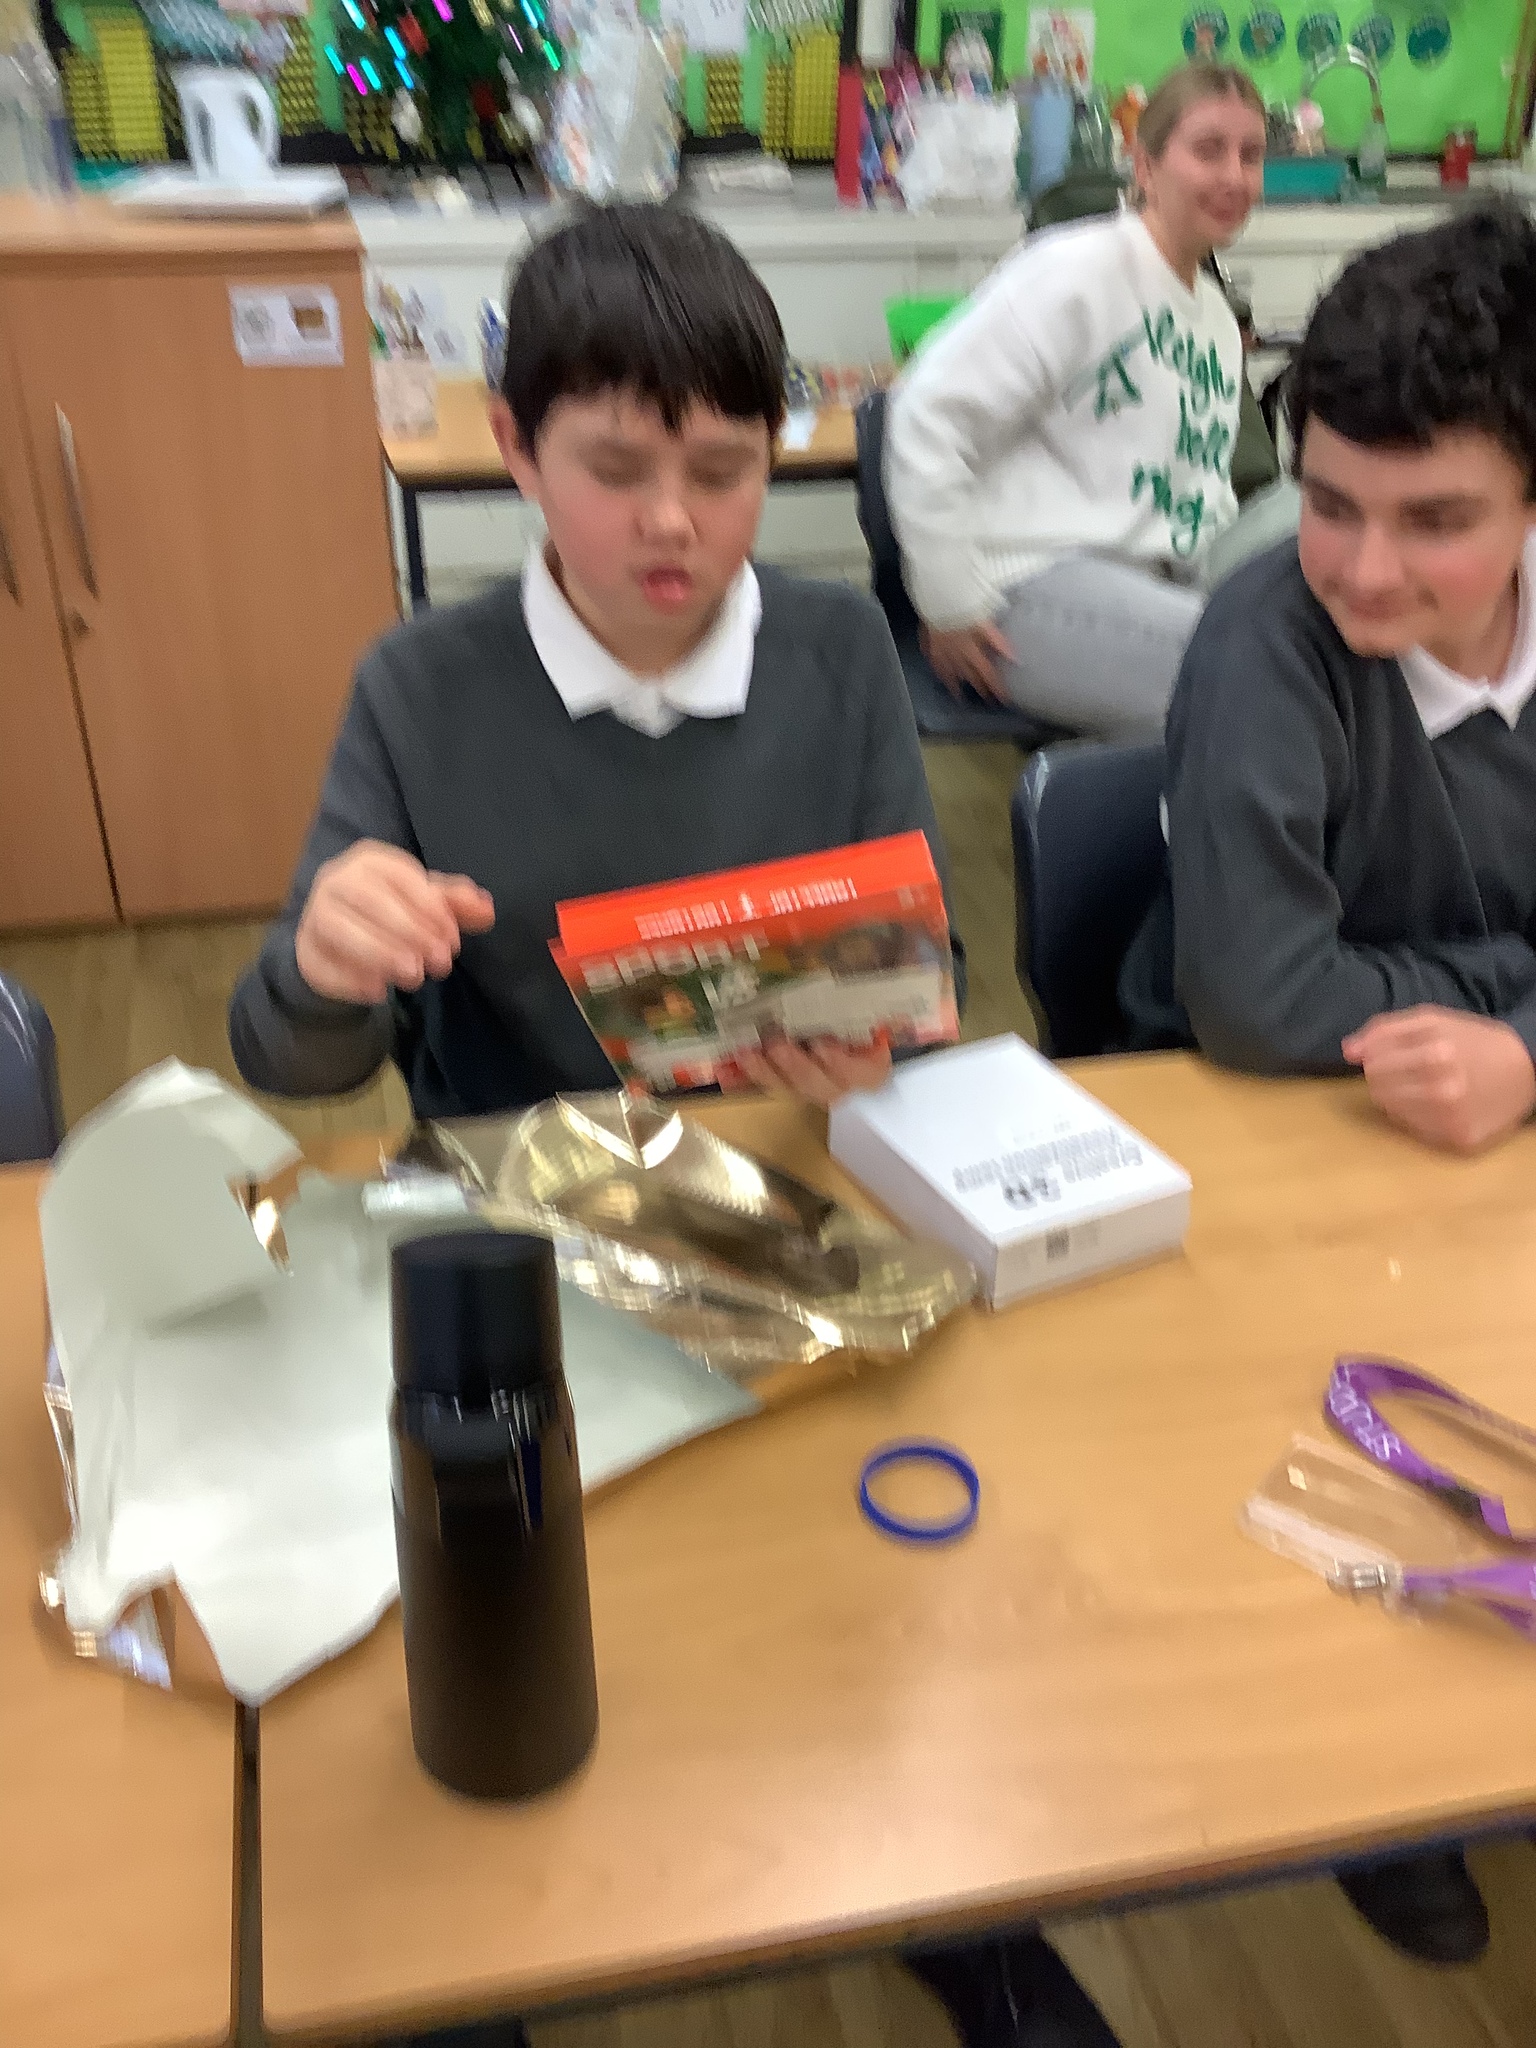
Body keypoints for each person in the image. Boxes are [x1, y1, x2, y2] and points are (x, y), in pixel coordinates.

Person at [1118, 201, 1536, 1965]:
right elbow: (1264, 1000)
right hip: (1267, 1129)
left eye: (1436, 520)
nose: (1362, 568)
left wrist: (1522, 1050)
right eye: (1330, 502)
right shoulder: (1262, 647)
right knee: (1330, 1446)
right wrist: (1513, 1000)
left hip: (1478, 1135)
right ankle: (1387, 1773)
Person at [229, 203, 957, 1121]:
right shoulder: (418, 690)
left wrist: (881, 1047)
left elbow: (929, 981)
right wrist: (322, 971)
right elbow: (287, 1059)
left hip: (779, 1145)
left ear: (772, 447)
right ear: (517, 448)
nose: (671, 521)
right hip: (525, 1172)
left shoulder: (842, 651)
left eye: (721, 473)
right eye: (615, 472)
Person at [884, 60, 1267, 739]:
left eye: (1251, 155)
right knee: (1259, 676)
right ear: (1144, 166)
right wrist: (948, 599)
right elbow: (926, 413)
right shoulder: (1076, 270)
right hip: (1022, 584)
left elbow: (1197, 493)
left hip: (1151, 579)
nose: (1234, 176)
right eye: (1209, 150)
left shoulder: (1213, 317)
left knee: (1314, 632)